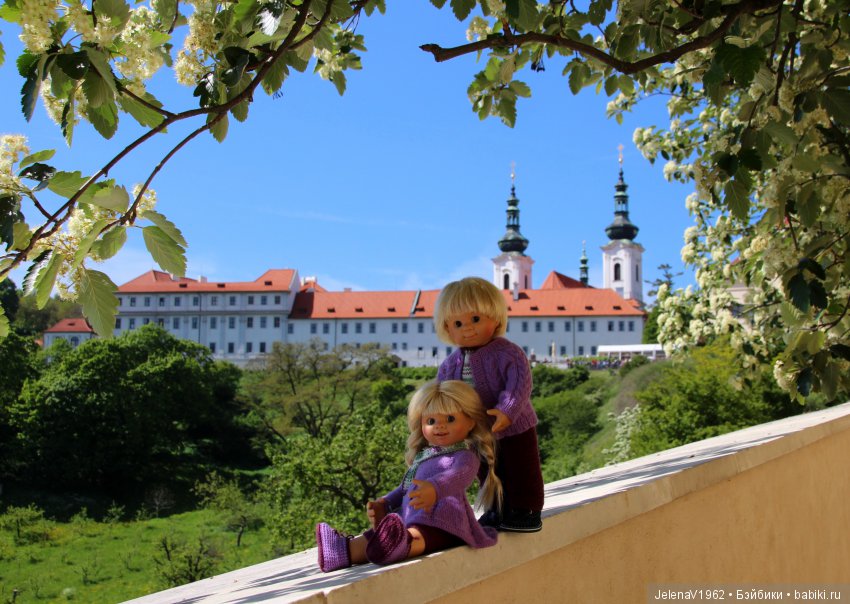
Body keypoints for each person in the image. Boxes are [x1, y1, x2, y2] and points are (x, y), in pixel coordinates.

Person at [315, 380, 502, 572]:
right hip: (411, 517)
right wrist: (385, 502)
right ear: (421, 424)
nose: (439, 426)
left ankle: (400, 546)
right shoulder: (425, 456)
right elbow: (405, 488)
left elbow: (458, 477)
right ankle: (342, 551)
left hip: (446, 523)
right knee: (375, 536)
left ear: (471, 421)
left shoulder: (464, 456)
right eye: (431, 421)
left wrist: (435, 489)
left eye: (450, 419)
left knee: (418, 535)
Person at [435, 276, 544, 532]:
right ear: (447, 328)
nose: (468, 328)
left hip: (516, 427)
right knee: (487, 472)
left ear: (495, 319)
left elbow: (519, 384)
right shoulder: (450, 365)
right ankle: (496, 510)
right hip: (479, 433)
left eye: (475, 319)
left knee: (521, 468)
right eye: (458, 323)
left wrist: (506, 410)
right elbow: (444, 398)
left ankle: (526, 510)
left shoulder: (508, 352)